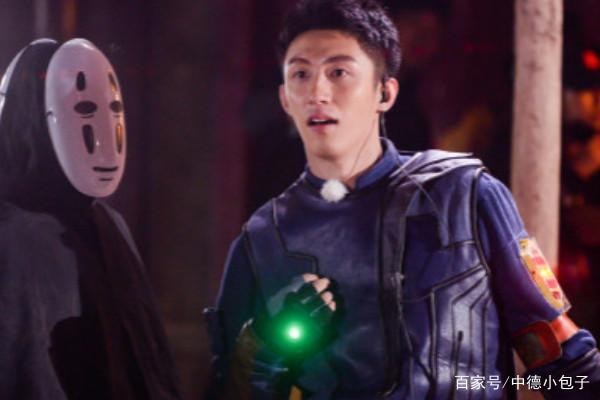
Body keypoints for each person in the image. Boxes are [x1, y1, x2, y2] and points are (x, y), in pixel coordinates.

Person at [206, 0, 600, 398]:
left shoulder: (465, 195)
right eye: (301, 74)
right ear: (285, 99)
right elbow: (230, 390)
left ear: (385, 92)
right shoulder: (264, 238)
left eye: (339, 72)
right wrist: (262, 346)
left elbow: (561, 358)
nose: (317, 93)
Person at [0, 38, 181, 399]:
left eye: (114, 109)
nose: (104, 127)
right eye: (84, 109)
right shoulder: (10, 236)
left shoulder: (108, 224)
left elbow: (147, 364)